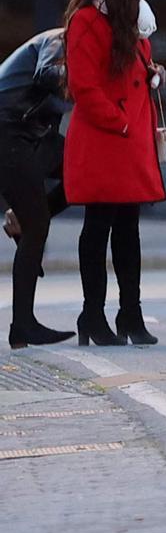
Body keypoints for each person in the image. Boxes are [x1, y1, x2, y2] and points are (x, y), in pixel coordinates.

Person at [63, 0, 165, 346]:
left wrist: (153, 73)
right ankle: (92, 314)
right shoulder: (87, 20)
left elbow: (131, 73)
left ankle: (130, 314)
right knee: (98, 226)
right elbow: (84, 87)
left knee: (128, 230)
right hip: (106, 141)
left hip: (128, 140)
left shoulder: (133, 20)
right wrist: (121, 123)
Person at [0, 28, 75, 347]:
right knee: (37, 225)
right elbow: (47, 74)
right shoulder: (59, 41)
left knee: (81, 175)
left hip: (30, 135)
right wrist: (81, 76)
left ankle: (20, 218)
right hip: (7, 131)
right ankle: (23, 326)